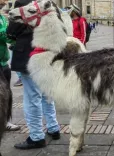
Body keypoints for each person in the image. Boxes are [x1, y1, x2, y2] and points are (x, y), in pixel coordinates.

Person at [7, 0, 60, 149]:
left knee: (32, 98)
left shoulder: (22, 3)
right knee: (46, 95)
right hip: (48, 54)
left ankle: (36, 137)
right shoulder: (48, 4)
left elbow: (11, 31)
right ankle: (53, 128)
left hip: (28, 55)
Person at [0, 0, 20, 131]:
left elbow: (7, 36)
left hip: (3, 61)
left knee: (7, 93)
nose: (2, 6)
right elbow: (3, 33)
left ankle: (6, 121)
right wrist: (7, 31)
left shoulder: (2, 17)